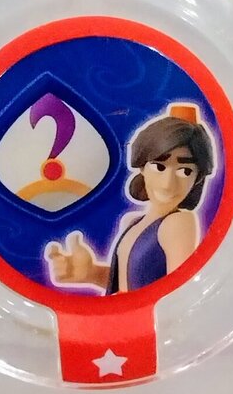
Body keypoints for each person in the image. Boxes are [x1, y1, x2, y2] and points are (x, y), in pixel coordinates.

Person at [44, 104, 215, 293]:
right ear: (142, 167)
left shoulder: (178, 223)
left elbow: (178, 294)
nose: (168, 183)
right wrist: (91, 273)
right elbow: (130, 283)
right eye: (159, 167)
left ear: (197, 178)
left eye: (185, 171)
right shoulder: (132, 222)